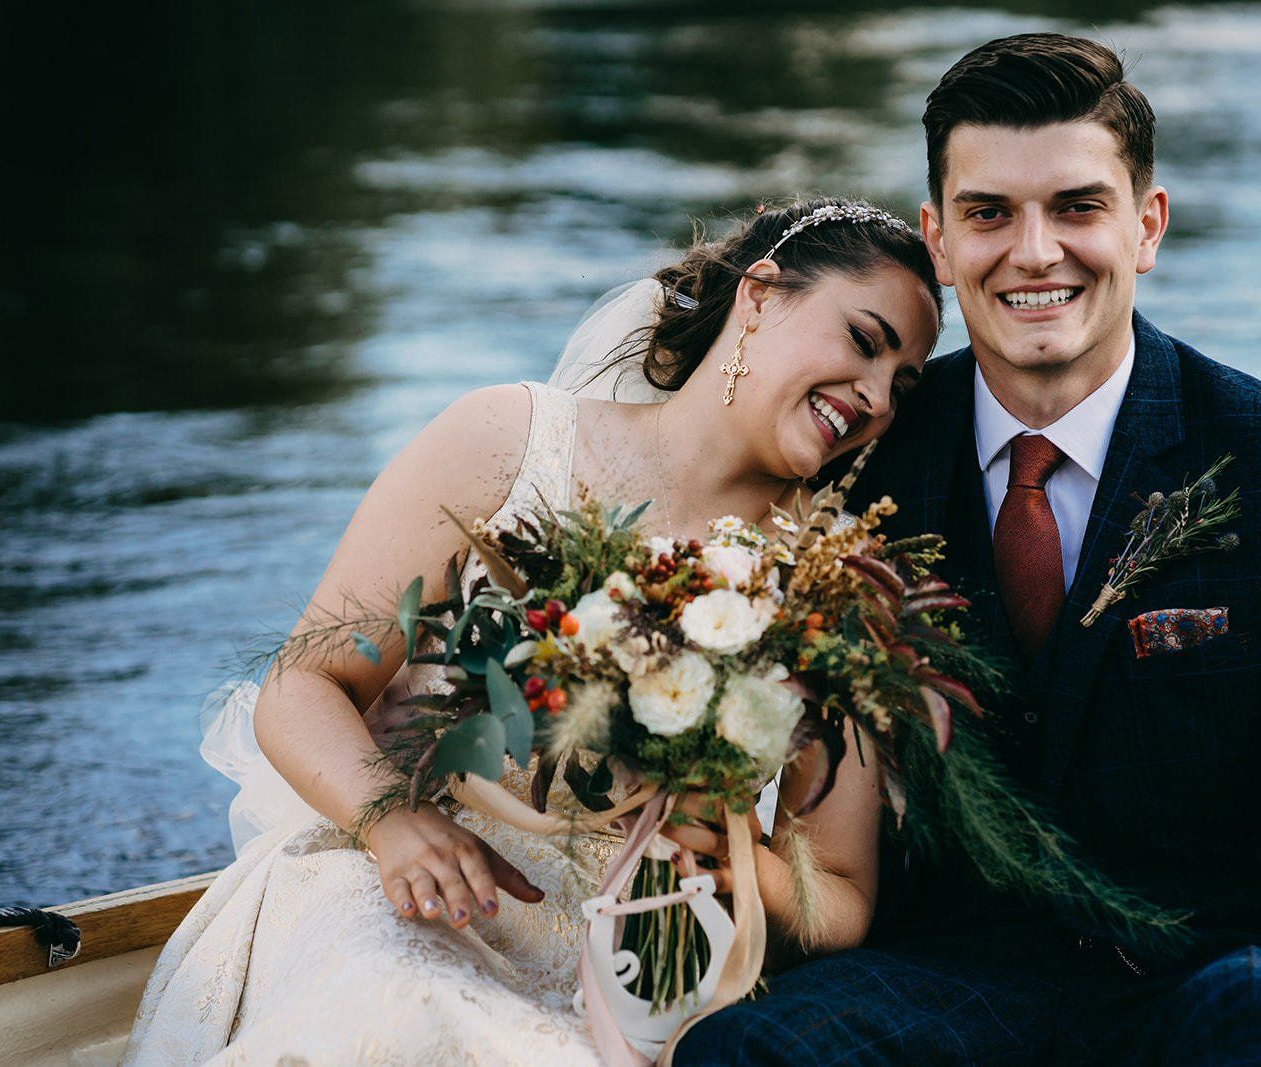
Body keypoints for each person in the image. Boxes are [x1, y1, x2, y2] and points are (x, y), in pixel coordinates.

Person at [675, 33, 1261, 1066]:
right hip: (945, 974)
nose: (1034, 251)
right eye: (989, 212)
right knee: (747, 1052)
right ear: (939, 239)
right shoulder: (856, 462)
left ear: (1146, 224)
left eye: (1078, 208)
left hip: (1212, 967)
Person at [120, 197, 942, 1064]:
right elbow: (301, 685)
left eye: (905, 382)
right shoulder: (511, 444)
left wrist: (731, 861)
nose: (879, 396)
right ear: (761, 295)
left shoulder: (835, 584)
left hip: (644, 965)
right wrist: (390, 822)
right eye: (864, 340)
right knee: (406, 1011)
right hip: (418, 892)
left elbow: (842, 896)